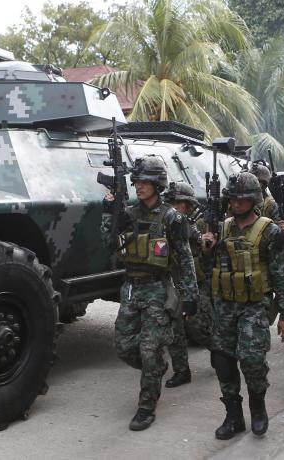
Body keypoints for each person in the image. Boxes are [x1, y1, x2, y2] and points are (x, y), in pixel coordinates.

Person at [100, 156, 199, 431]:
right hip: (131, 288)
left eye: (144, 181)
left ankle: (146, 407)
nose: (138, 186)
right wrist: (110, 211)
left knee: (149, 349)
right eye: (136, 181)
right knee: (123, 346)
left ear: (157, 183)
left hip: (158, 288)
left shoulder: (172, 218)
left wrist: (190, 295)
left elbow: (186, 258)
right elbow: (107, 244)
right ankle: (156, 367)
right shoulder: (129, 214)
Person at [201, 172, 284, 440]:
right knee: (222, 360)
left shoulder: (270, 231)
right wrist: (206, 250)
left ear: (253, 199)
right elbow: (209, 272)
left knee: (252, 360)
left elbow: (280, 275)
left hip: (255, 306)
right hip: (225, 305)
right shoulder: (220, 227)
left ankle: (258, 407)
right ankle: (233, 415)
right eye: (233, 198)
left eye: (242, 198)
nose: (237, 203)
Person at [162, 181, 212, 388]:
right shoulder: (163, 221)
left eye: (179, 204)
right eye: (171, 203)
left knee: (201, 328)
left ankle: (224, 356)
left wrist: (204, 242)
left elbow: (200, 247)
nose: (174, 208)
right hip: (171, 284)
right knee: (174, 330)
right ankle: (182, 371)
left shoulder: (189, 226)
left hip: (194, 285)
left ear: (188, 206)